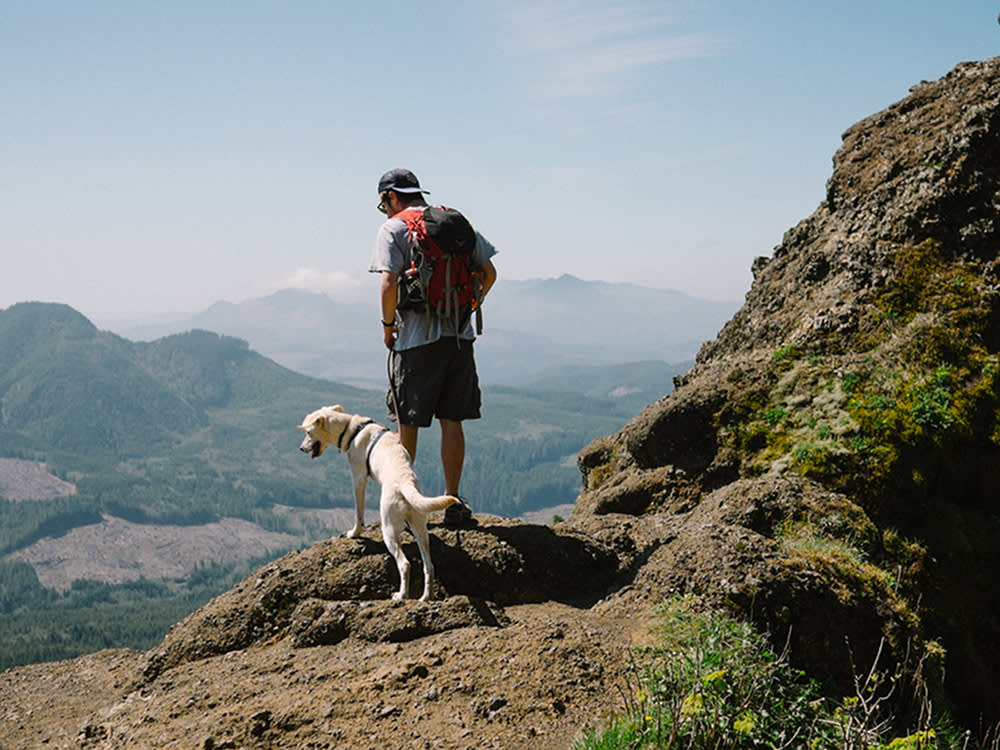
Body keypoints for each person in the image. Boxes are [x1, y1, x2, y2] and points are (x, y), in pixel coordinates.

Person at [368, 168, 497, 525]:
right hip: (460, 337)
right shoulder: (454, 222)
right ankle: (452, 500)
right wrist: (466, 308)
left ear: (391, 196)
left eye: (384, 202)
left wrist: (388, 325)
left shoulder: (394, 229)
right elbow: (489, 274)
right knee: (452, 420)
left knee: (407, 423)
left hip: (416, 341)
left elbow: (389, 282)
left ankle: (405, 505)